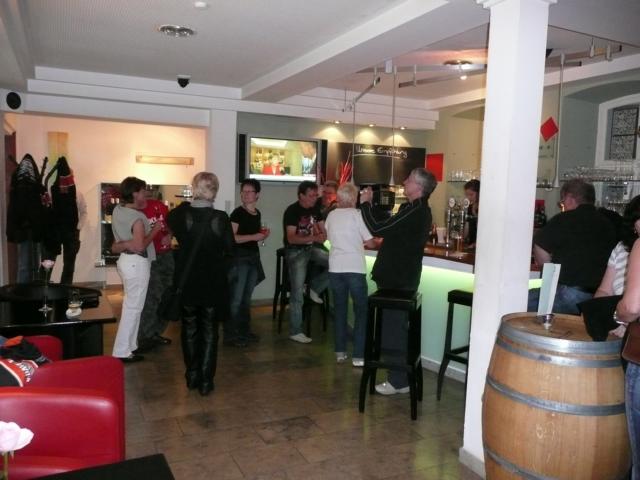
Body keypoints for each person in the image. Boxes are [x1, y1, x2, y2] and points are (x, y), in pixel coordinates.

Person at [360, 168, 437, 395]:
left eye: (409, 180)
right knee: (394, 327)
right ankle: (401, 379)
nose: (404, 181)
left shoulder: (417, 211)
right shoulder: (411, 209)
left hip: (399, 279)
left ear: (418, 187)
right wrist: (372, 206)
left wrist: (365, 204)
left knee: (393, 330)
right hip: (400, 277)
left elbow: (378, 228)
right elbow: (388, 223)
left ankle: (398, 381)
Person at [167, 172, 234, 396]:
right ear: (214, 190)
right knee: (210, 330)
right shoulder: (220, 218)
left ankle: (192, 375)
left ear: (194, 188)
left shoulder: (179, 215)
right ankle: (206, 381)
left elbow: (171, 219)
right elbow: (230, 251)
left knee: (189, 328)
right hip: (212, 281)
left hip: (187, 280)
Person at [527, 178, 617, 314]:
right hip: (598, 298)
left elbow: (540, 247)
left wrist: (550, 270)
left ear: (569, 198)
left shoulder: (563, 219)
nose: (563, 206)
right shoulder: (608, 224)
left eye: (562, 202)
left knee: (516, 301)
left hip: (567, 294)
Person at [110, 177, 162, 363]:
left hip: (125, 262)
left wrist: (125, 244)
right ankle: (121, 351)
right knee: (133, 308)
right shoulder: (137, 218)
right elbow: (140, 246)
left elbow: (117, 245)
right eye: (142, 191)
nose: (146, 194)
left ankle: (130, 346)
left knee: (132, 306)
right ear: (134, 193)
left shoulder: (118, 210)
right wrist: (155, 231)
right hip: (136, 264)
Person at [325, 183, 374, 366]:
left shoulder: (331, 215)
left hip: (335, 268)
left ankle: (340, 352)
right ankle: (359, 356)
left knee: (340, 310)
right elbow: (370, 242)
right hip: (355, 268)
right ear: (354, 198)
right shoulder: (357, 215)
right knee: (361, 311)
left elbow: (330, 237)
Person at [282, 180, 329, 343]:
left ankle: (314, 288)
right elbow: (291, 238)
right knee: (296, 293)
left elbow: (324, 230)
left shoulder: (315, 209)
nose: (314, 198)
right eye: (311, 195)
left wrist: (323, 235)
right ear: (301, 196)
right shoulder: (292, 211)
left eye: (316, 195)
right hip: (295, 251)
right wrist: (314, 237)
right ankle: (295, 331)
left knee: (337, 263)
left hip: (311, 248)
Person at [225, 179, 269, 347]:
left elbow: (253, 236)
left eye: (249, 191)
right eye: (243, 191)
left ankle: (244, 331)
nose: (245, 194)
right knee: (236, 298)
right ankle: (230, 335)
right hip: (239, 259)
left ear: (257, 195)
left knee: (246, 298)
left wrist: (261, 236)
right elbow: (232, 238)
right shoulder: (237, 213)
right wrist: (254, 237)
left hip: (252, 258)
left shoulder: (257, 213)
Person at [594, 196, 640, 338]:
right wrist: (595, 311)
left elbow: (632, 308)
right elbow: (604, 290)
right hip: (617, 327)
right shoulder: (621, 248)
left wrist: (621, 320)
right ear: (633, 225)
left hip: (632, 331)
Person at [136, 198, 174, 352]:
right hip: (150, 256)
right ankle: (145, 335)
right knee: (153, 295)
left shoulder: (159, 206)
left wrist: (170, 235)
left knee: (167, 295)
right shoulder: (135, 211)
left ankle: (156, 332)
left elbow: (170, 226)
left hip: (167, 255)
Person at [463, 179, 479, 247]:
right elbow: (467, 227)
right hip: (471, 244)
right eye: (467, 195)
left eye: (471, 194)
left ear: (479, 193)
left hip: (480, 245)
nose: (469, 197)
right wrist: (461, 238)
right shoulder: (470, 207)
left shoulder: (484, 208)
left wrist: (476, 244)